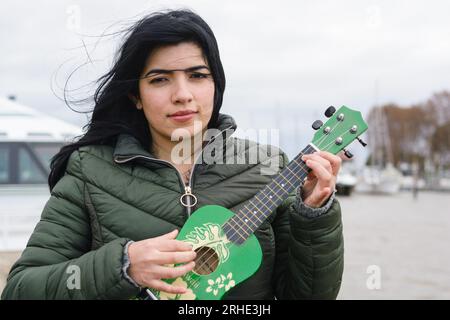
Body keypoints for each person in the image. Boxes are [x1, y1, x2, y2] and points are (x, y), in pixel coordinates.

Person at [1, 9, 344, 300]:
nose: (182, 95)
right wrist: (122, 266)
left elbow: (308, 295)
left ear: (215, 85)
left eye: (197, 76)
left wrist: (314, 215)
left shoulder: (269, 167)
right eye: (160, 79)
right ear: (136, 95)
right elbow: (20, 288)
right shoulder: (89, 170)